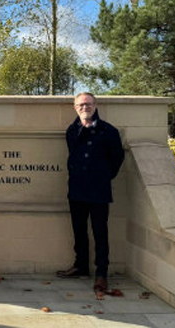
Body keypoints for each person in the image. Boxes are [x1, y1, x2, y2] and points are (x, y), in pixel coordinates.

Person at [55, 92, 125, 292]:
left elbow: (117, 158)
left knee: (100, 232)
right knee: (79, 231)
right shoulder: (72, 130)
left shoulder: (108, 131)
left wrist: (103, 176)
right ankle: (81, 266)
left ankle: (101, 273)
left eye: (88, 104)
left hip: (99, 191)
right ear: (75, 107)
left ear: (95, 106)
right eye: (80, 104)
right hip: (76, 189)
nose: (85, 107)